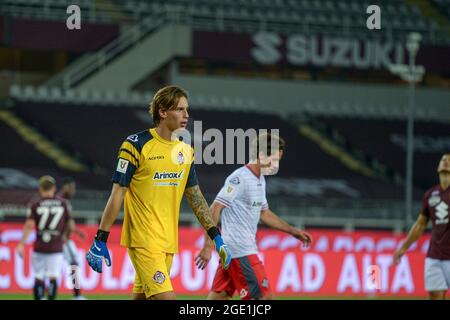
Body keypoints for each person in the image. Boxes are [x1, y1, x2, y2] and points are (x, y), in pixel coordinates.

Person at [85, 85, 231, 300]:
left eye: (187, 109)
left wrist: (215, 235)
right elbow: (118, 193)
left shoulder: (185, 151)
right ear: (163, 112)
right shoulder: (136, 145)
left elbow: (195, 195)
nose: (186, 115)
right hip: (143, 240)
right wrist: (101, 238)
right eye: (180, 109)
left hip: (168, 242)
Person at [195, 133, 312, 300]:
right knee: (264, 299)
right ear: (261, 155)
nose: (276, 165)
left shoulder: (259, 179)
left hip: (232, 252)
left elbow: (264, 213)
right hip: (241, 251)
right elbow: (214, 208)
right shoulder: (240, 178)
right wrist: (208, 245)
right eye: (274, 159)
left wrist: (293, 231)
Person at [393, 152, 450, 300]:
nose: (446, 162)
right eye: (443, 159)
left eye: (449, 160)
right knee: (435, 296)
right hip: (434, 256)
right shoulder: (430, 194)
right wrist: (403, 248)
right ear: (438, 167)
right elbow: (420, 225)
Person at [16, 175, 75, 300]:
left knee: (38, 276)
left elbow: (29, 225)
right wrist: (65, 237)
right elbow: (71, 225)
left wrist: (22, 244)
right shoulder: (63, 203)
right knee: (53, 277)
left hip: (40, 246)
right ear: (54, 188)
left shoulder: (35, 204)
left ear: (40, 188)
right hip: (56, 246)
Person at [58, 177, 87, 300]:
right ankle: (77, 295)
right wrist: (65, 235)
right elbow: (64, 222)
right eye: (72, 188)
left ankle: (77, 294)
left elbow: (68, 221)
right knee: (73, 264)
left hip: (64, 239)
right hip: (62, 240)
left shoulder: (61, 200)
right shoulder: (62, 202)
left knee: (72, 264)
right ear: (65, 187)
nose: (73, 191)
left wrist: (77, 231)